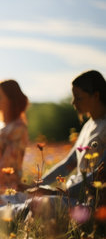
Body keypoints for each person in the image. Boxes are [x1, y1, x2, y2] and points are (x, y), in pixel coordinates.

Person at [30, 70, 106, 200]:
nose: (73, 102)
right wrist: (37, 184)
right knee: (28, 198)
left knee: (39, 203)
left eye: (78, 97)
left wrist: (60, 194)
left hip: (93, 199)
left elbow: (101, 173)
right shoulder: (88, 126)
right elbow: (68, 164)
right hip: (73, 193)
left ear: (96, 95)